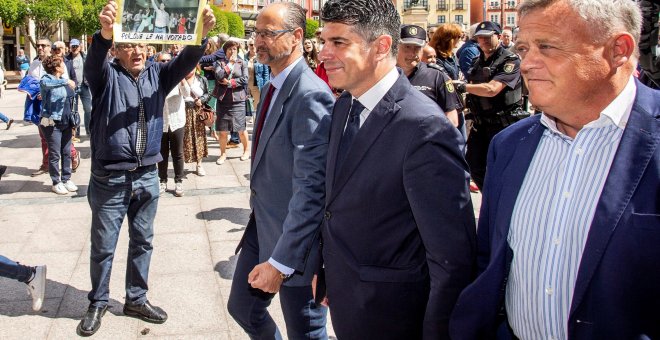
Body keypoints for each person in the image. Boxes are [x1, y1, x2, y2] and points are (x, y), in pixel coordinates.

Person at [449, 0, 660, 339]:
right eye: (522, 48)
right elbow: (490, 259)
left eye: (547, 47)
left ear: (618, 50)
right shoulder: (509, 146)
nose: (526, 63)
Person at [317, 0, 476, 338]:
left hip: (394, 316)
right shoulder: (345, 104)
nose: (323, 54)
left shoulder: (424, 127)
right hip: (349, 303)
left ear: (381, 46)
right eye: (323, 41)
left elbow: (452, 259)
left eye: (338, 42)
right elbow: (337, 203)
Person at [78, 0, 214, 336]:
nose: (136, 51)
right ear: (117, 51)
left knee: (143, 240)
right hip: (111, 176)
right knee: (104, 245)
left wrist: (201, 34)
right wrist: (104, 35)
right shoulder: (105, 75)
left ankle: (136, 298)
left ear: (149, 46)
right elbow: (93, 63)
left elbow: (187, 59)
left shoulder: (159, 74)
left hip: (148, 174)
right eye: (127, 45)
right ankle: (98, 302)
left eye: (140, 44)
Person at [226, 2, 335, 339]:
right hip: (264, 225)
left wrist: (284, 262)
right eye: (256, 33)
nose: (258, 40)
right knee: (242, 307)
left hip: (297, 243)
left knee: (306, 330)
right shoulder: (275, 84)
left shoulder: (310, 95)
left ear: (296, 37)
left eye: (268, 34)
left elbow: (311, 188)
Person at [455, 21, 525, 190]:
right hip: (481, 124)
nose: (484, 41)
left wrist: (462, 86)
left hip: (503, 124)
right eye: (480, 38)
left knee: (504, 169)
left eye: (488, 37)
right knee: (473, 164)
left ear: (499, 37)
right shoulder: (477, 61)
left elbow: (492, 89)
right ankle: (491, 196)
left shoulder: (510, 60)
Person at [397, 24, 461, 128]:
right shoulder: (382, 75)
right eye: (407, 46)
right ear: (396, 47)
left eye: (417, 48)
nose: (412, 53)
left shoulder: (437, 77)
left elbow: (452, 120)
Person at [39, 55, 78, 195]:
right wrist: (66, 82)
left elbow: (72, 97)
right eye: (62, 64)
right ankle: (56, 182)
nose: (64, 66)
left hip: (67, 122)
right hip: (52, 123)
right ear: (56, 67)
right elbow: (47, 85)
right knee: (55, 154)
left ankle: (66, 179)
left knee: (66, 152)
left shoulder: (64, 81)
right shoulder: (47, 80)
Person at [213, 40, 249, 164]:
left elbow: (245, 79)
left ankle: (246, 150)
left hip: (238, 100)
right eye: (230, 49)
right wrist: (230, 65)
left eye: (234, 49)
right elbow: (219, 76)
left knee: (241, 129)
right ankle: (222, 154)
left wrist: (231, 83)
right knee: (222, 131)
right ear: (225, 51)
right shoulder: (219, 63)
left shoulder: (242, 63)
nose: (232, 51)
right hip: (223, 100)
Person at [156, 53, 186, 197]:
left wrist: (182, 81)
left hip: (176, 120)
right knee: (162, 154)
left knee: (178, 153)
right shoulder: (154, 77)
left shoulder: (177, 76)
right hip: (160, 121)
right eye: (163, 60)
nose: (166, 62)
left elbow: (187, 94)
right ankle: (162, 180)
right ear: (157, 62)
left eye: (169, 60)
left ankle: (179, 180)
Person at [182, 67, 210, 176]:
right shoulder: (180, 78)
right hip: (182, 111)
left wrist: (201, 100)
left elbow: (208, 94)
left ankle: (199, 165)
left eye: (192, 65)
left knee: (199, 137)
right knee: (183, 138)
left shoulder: (201, 79)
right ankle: (181, 164)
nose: (190, 68)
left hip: (197, 111)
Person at [66, 38, 92, 138]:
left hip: (85, 86)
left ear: (80, 46)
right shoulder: (66, 59)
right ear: (70, 47)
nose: (75, 48)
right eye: (73, 46)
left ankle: (89, 131)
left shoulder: (86, 57)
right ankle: (76, 132)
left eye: (76, 46)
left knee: (88, 109)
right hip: (73, 88)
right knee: (74, 111)